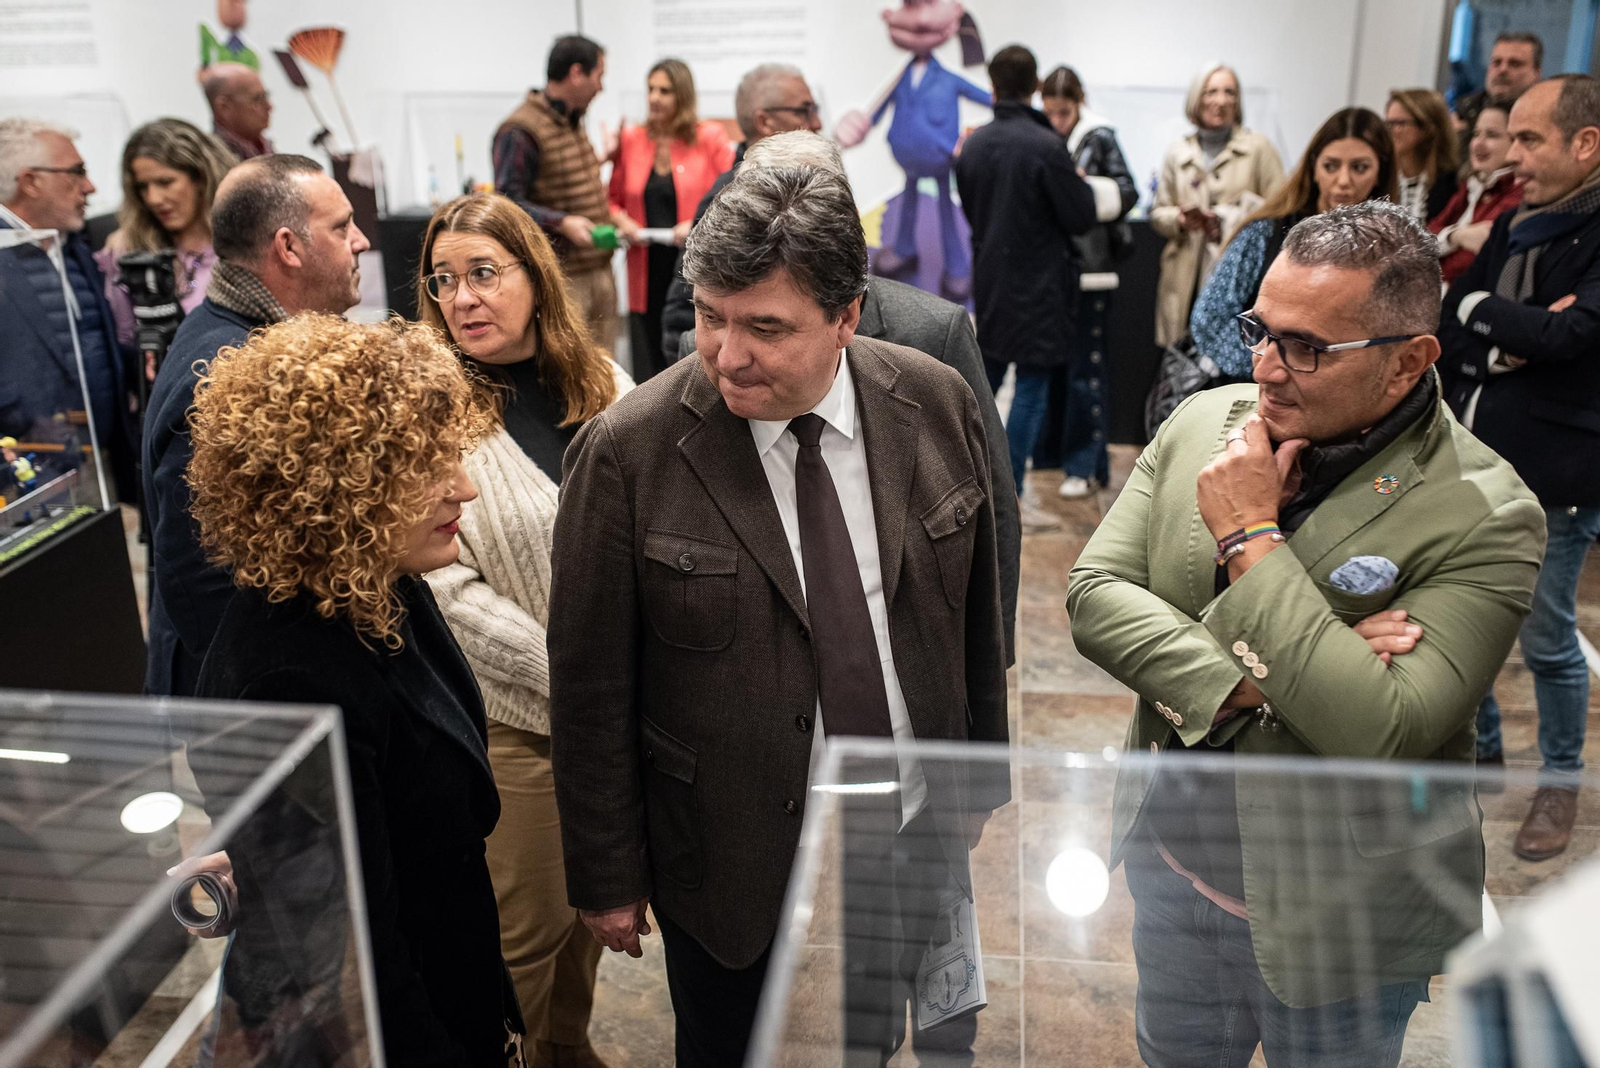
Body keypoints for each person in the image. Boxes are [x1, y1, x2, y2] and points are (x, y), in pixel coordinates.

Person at [547, 163, 1010, 1067]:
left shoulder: (934, 401)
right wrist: (605, 873)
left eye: (765, 327)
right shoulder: (628, 452)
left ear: (848, 315)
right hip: (728, 858)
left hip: (905, 827)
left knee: (865, 1039)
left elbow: (976, 618)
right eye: (710, 317)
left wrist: (976, 783)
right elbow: (592, 683)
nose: (726, 354)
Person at [1068, 201, 1545, 1067]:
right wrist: (1257, 679)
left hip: (1345, 925)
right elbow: (1094, 595)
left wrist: (1250, 538)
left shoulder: (1490, 514)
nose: (1266, 367)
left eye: (1307, 348)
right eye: (1262, 329)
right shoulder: (1202, 422)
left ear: (1408, 363)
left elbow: (1383, 729)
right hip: (1174, 873)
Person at [189, 314, 522, 1066]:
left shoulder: (380, 587)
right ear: (335, 486)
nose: (463, 485)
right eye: (427, 465)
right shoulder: (291, 678)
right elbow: (362, 966)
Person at [416, 191, 631, 1068]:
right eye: (442, 281)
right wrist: (580, 673)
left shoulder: (607, 385)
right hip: (522, 727)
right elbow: (442, 588)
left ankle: (566, 1051)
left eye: (482, 274)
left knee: (595, 917)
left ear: (536, 278)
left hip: (617, 723)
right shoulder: (430, 411)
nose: (462, 298)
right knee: (529, 941)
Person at [678, 130, 1021, 666]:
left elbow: (991, 499)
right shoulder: (701, 354)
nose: (730, 355)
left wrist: (989, 648)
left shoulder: (932, 332)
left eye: (768, 328)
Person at [1438, 74, 1600, 861]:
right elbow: (1454, 312)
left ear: (1585, 143)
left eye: (1530, 139)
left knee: (1545, 638)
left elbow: (1574, 341)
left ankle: (1561, 785)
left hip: (1559, 475)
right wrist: (1514, 332)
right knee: (1465, 620)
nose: (1511, 155)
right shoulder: (1514, 223)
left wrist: (1500, 325)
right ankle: (1485, 751)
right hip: (1478, 456)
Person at [143, 154, 369, 697]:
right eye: (341, 227)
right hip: (252, 702)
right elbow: (202, 573)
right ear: (288, 248)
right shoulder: (227, 371)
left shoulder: (245, 337)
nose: (360, 240)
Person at [953, 45, 1096, 528]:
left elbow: (972, 211)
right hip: (1041, 289)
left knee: (982, 386)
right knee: (1030, 389)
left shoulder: (973, 145)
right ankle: (1007, 496)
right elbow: (1081, 215)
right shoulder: (1047, 146)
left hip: (991, 283)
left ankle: (960, 480)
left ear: (992, 86)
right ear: (1035, 86)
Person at [1190, 107, 1397, 380]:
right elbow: (1210, 319)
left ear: (1380, 174)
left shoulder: (1391, 247)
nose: (1343, 181)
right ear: (1313, 169)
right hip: (1259, 391)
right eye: (1330, 166)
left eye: (1359, 167)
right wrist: (1278, 365)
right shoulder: (1266, 231)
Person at [0, 118, 136, 496]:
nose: (89, 187)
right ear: (30, 181)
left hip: (103, 457)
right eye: (76, 172)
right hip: (30, 473)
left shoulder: (77, 242)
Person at [659, 62, 823, 361]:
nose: (817, 123)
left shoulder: (812, 188)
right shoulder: (730, 200)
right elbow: (682, 313)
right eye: (804, 110)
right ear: (764, 122)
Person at [1035, 65, 1138, 501]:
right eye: (1051, 112)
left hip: (1092, 270)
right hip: (1056, 270)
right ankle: (1055, 458)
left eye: (1064, 111)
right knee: (1055, 368)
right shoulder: (1047, 137)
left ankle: (1084, 465)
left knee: (1085, 371)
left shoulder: (1099, 137)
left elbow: (1127, 192)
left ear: (1079, 103)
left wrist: (1084, 189)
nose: (1058, 120)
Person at [494, 35, 621, 356]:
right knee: (573, 370)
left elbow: (566, 179)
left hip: (598, 269)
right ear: (577, 73)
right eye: (599, 76)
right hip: (565, 278)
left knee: (608, 369)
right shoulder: (520, 131)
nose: (601, 87)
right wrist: (562, 223)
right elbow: (507, 205)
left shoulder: (571, 120)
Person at [608, 58, 733, 381]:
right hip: (645, 265)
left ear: (683, 95)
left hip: (692, 262)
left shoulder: (710, 137)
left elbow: (734, 191)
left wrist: (694, 222)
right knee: (647, 359)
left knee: (688, 350)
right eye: (650, 89)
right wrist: (622, 222)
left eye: (664, 90)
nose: (654, 98)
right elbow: (611, 199)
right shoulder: (632, 138)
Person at [1150, 63, 1284, 352]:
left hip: (1236, 272)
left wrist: (1233, 218)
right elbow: (1159, 213)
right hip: (1185, 273)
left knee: (1227, 354)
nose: (1220, 100)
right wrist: (1181, 219)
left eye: (1229, 92)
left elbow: (1281, 208)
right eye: (1211, 91)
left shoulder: (1258, 148)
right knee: (1181, 359)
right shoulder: (1178, 152)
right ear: (1196, 98)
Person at [94, 118, 237, 354]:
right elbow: (125, 339)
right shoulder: (129, 251)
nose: (153, 199)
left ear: (202, 177)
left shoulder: (245, 243)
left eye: (165, 182)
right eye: (143, 186)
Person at [1429, 97, 1522, 286]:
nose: (1478, 143)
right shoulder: (1472, 185)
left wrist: (1442, 244)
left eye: (1492, 135)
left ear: (1515, 142)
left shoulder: (1517, 193)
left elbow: (1466, 263)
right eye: (1476, 134)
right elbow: (1424, 236)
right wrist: (1458, 236)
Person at [1387, 88, 1460, 222]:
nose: (1391, 131)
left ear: (1427, 127)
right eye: (1388, 123)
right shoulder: (1381, 178)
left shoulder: (1454, 184)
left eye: (1399, 123)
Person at [203, 62, 274, 161]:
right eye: (257, 99)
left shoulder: (265, 148)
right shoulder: (212, 161)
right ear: (224, 107)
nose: (270, 106)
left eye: (265, 96)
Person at [1487, 32, 1543, 101]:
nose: (1502, 70)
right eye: (1497, 63)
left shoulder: (1552, 110)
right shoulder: (1471, 106)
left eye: (1515, 64)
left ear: (1537, 71)